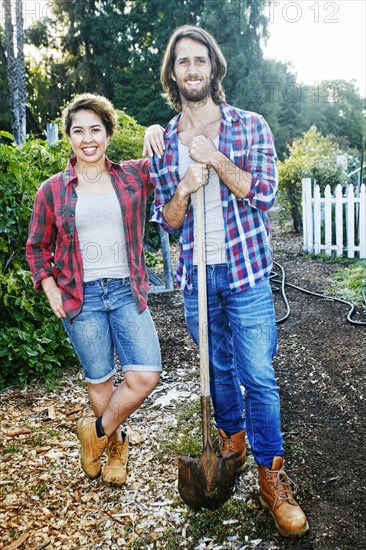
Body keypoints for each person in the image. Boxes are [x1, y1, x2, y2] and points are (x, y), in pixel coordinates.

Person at [146, 25, 309, 537]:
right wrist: (185, 184)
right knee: (217, 372)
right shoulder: (163, 140)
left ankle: (271, 476)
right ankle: (233, 437)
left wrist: (213, 159)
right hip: (197, 275)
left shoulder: (250, 126)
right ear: (173, 74)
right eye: (182, 62)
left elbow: (263, 195)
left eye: (200, 60)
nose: (192, 69)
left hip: (246, 272)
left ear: (214, 68)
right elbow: (166, 220)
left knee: (258, 374)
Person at [26, 93, 162, 487]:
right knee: (100, 378)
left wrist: (156, 130)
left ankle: (96, 433)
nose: (88, 139)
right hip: (78, 297)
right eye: (79, 130)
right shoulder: (52, 190)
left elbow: (170, 160)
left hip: (125, 289)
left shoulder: (134, 176)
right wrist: (48, 286)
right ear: (69, 137)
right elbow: (36, 247)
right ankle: (116, 448)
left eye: (96, 130)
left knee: (147, 372)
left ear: (108, 134)